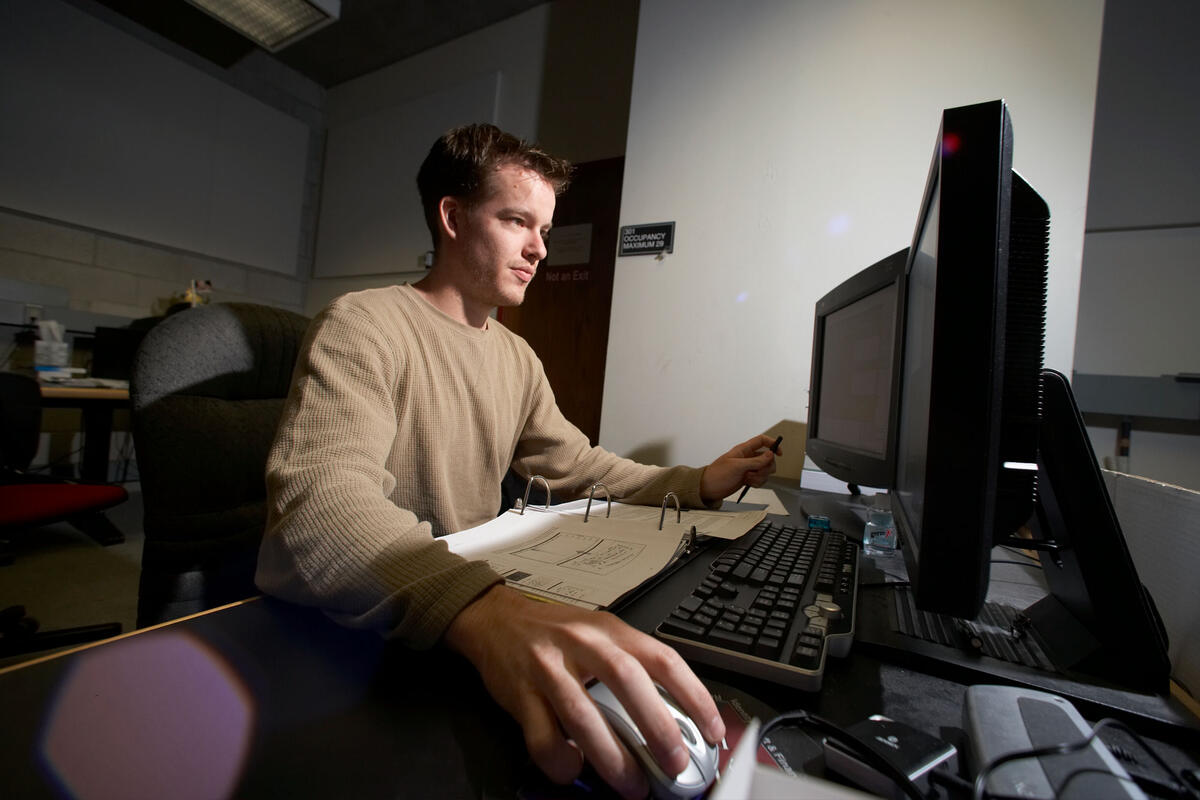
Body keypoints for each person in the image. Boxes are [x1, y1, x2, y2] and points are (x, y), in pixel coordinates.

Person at [256, 123, 780, 798]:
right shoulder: (363, 324)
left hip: (456, 615)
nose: (538, 248)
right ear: (451, 217)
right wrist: (481, 606)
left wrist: (698, 482)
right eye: (516, 221)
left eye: (545, 229)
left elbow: (579, 466)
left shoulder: (514, 355)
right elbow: (322, 505)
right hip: (348, 629)